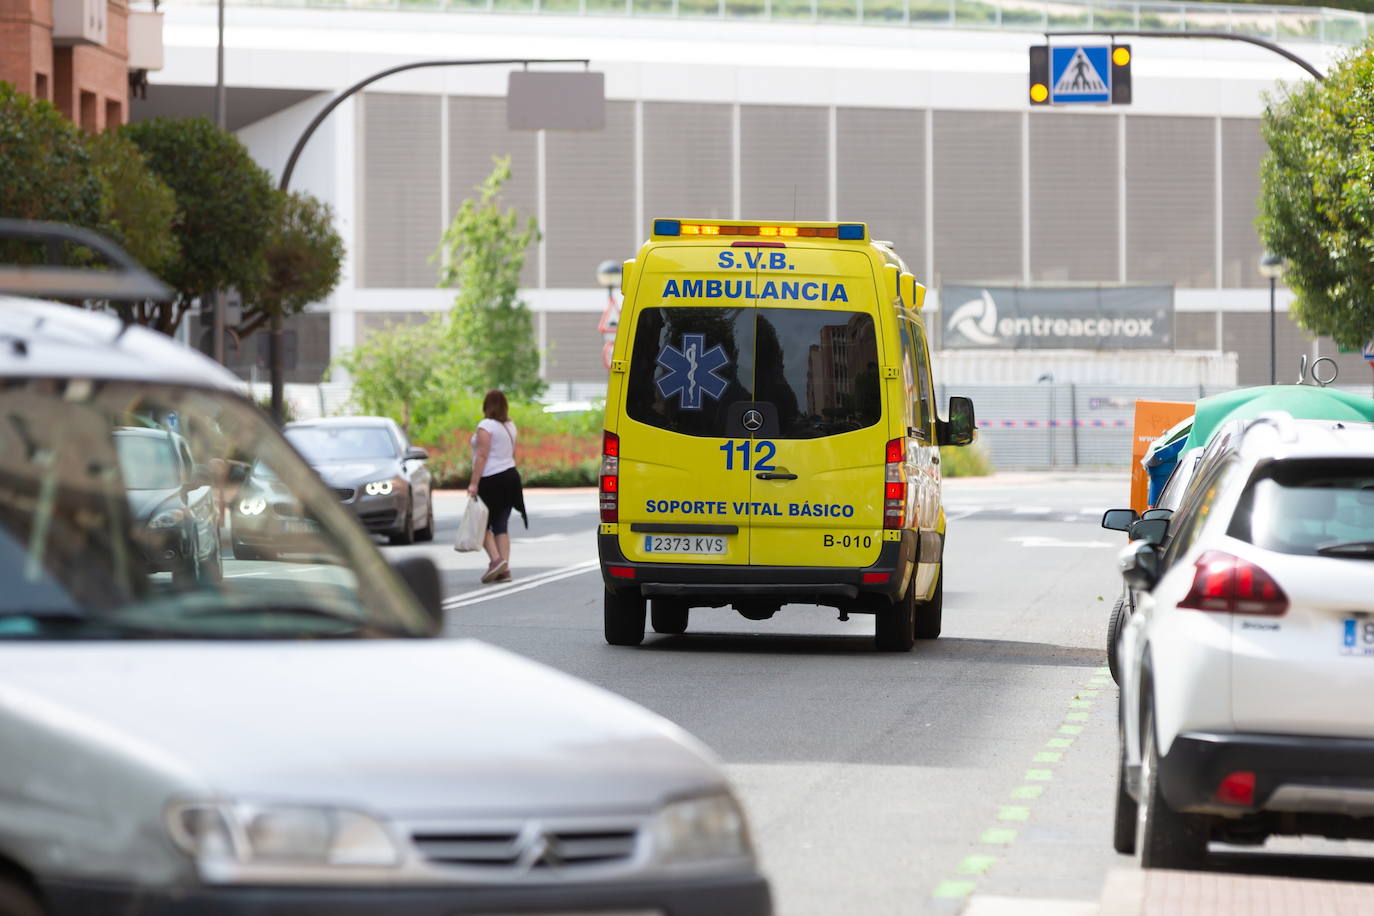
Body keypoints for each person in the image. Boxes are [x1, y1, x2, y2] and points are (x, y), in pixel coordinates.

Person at [467, 390, 527, 583]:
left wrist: (474, 483)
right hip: (510, 476)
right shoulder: (510, 425)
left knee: (481, 523)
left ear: (486, 405)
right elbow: (512, 453)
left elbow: (482, 456)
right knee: (501, 524)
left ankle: (496, 561)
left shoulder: (486, 426)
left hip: (491, 478)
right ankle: (504, 569)